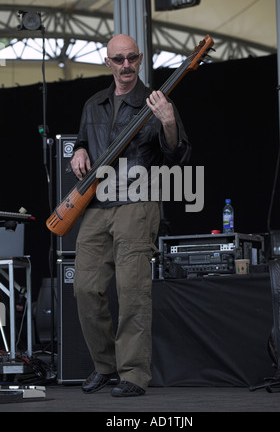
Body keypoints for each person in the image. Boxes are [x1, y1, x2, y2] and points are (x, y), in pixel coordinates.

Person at [70, 34, 191, 397]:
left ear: (140, 60)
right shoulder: (94, 104)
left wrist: (168, 122)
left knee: (132, 290)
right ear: (107, 62)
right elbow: (81, 139)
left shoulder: (156, 102)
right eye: (118, 59)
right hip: (96, 203)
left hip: (137, 204)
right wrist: (77, 150)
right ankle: (105, 366)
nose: (126, 65)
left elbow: (177, 157)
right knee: (85, 288)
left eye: (132, 58)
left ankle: (134, 375)